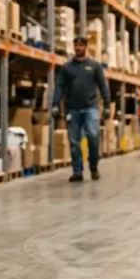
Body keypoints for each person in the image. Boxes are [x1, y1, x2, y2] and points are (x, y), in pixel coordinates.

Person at [51, 36, 111, 182]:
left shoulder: (95, 66)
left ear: (86, 47)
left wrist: (107, 105)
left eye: (81, 45)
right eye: (76, 45)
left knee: (93, 136)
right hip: (73, 109)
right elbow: (59, 86)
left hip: (91, 108)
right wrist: (55, 104)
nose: (78, 48)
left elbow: (103, 86)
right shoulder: (67, 67)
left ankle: (93, 167)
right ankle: (77, 171)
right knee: (74, 141)